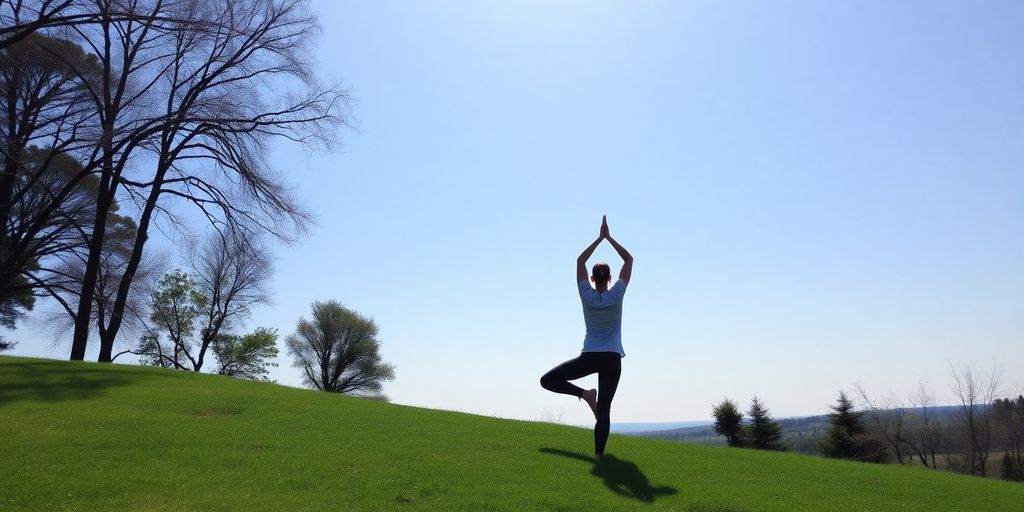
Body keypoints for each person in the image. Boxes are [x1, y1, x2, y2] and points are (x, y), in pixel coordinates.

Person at [540, 215, 633, 458]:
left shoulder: (585, 294)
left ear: (592, 279)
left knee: (547, 380)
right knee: (604, 410)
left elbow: (580, 259)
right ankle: (599, 457)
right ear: (610, 278)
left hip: (590, 357)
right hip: (612, 358)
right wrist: (609, 238)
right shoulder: (617, 294)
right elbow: (629, 259)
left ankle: (583, 394)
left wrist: (598, 239)